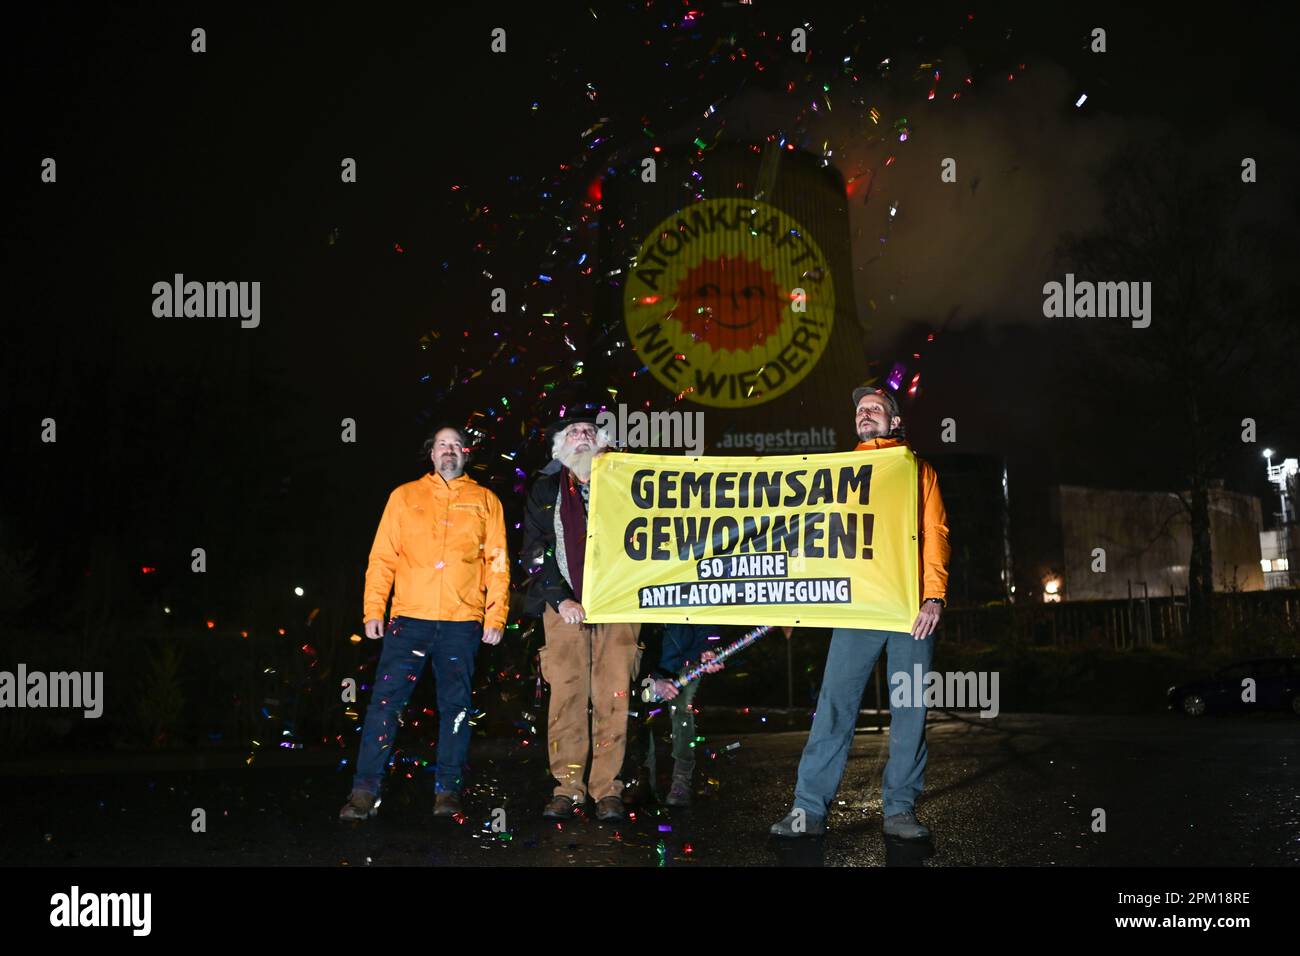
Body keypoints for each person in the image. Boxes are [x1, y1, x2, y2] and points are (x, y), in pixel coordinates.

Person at [770, 385, 950, 840]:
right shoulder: (839, 470)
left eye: (876, 408)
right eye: (860, 410)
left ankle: (900, 810)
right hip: (858, 608)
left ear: (894, 422)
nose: (865, 414)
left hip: (911, 610)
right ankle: (807, 810)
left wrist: (934, 597)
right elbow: (812, 532)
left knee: (909, 711)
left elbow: (936, 532)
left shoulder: (916, 470)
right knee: (834, 707)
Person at [339, 425, 509, 821]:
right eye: (441, 445)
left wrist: (495, 614)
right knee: (384, 706)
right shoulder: (404, 497)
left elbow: (497, 562)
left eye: (455, 445)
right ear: (431, 453)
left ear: (465, 453)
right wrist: (373, 610)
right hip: (408, 621)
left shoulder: (485, 500)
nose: (448, 450)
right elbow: (382, 557)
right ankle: (363, 790)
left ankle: (447, 792)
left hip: (461, 622)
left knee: (456, 709)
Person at [522, 417, 642, 823]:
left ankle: (608, 790)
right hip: (563, 609)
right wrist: (561, 598)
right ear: (559, 447)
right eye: (573, 432)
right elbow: (534, 553)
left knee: (613, 697)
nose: (582, 437)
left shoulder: (628, 484)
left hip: (619, 606)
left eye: (589, 432)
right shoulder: (544, 490)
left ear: (603, 443)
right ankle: (567, 789)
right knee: (568, 698)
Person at [641, 624, 723, 807]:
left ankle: (681, 780)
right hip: (644, 666)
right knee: (641, 715)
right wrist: (652, 678)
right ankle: (645, 779)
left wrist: (708, 650)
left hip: (687, 661)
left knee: (681, 707)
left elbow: (708, 622)